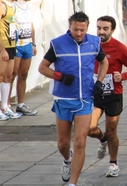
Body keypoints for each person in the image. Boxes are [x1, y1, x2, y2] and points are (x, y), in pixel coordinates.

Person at [38, 12, 109, 186]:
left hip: (85, 99)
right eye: (76, 29)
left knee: (80, 141)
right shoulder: (58, 44)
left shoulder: (94, 42)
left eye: (82, 30)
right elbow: (42, 67)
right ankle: (67, 159)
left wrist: (99, 81)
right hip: (63, 99)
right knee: (62, 143)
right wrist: (59, 76)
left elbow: (104, 62)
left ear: (87, 28)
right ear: (70, 27)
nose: (79, 33)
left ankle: (73, 183)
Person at [88, 15, 127, 177]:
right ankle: (102, 139)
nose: (101, 32)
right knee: (89, 128)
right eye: (98, 28)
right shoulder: (90, 44)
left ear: (113, 30)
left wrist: (122, 77)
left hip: (113, 94)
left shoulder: (119, 47)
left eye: (105, 29)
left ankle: (113, 163)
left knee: (111, 130)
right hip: (95, 93)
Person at [10, 0, 38, 116]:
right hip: (16, 46)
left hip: (27, 44)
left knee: (23, 75)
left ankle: (21, 104)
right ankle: (6, 105)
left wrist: (34, 43)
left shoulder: (28, 7)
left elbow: (31, 26)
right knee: (11, 75)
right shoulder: (13, 6)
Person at [0, 0, 21, 120]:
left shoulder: (12, 6)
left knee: (8, 76)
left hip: (11, 45)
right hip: (1, 47)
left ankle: (5, 106)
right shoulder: (0, 5)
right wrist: (2, 49)